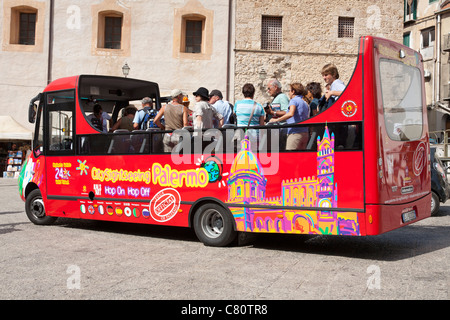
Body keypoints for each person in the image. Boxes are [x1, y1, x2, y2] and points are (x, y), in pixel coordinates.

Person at [269, 83, 309, 150]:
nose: (289, 93)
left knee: (290, 156)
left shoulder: (293, 100)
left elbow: (290, 113)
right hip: (305, 133)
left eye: (289, 91)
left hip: (295, 133)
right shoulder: (304, 102)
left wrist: (277, 120)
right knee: (301, 157)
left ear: (293, 92)